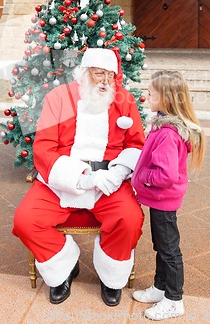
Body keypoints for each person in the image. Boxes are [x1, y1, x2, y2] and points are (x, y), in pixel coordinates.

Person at [13, 48, 145, 306]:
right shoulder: (59, 98)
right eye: (99, 74)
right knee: (25, 221)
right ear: (84, 73)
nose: (106, 81)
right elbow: (44, 148)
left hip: (109, 181)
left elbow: (136, 145)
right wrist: (83, 178)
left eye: (111, 75)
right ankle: (64, 269)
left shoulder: (124, 100)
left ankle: (111, 277)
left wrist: (118, 173)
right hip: (63, 178)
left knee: (129, 220)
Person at [131, 70, 205, 321]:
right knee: (161, 247)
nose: (146, 97)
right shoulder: (162, 123)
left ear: (167, 98)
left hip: (163, 199)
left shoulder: (167, 133)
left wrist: (141, 178)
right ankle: (160, 287)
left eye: (150, 93)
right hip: (158, 200)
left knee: (169, 250)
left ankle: (174, 299)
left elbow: (166, 176)